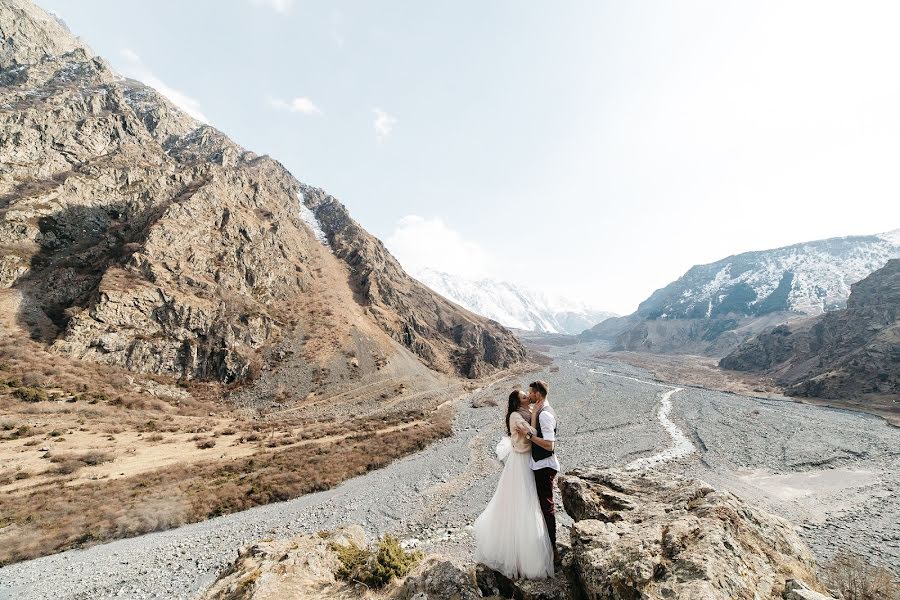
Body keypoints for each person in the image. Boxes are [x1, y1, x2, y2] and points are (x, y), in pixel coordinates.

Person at [473, 390, 554, 579]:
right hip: (521, 462)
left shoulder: (526, 411)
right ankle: (520, 558)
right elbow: (532, 433)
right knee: (523, 503)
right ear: (518, 403)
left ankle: (522, 552)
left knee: (527, 502)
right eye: (525, 397)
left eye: (528, 396)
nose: (529, 398)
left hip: (526, 460)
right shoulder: (517, 416)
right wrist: (535, 415)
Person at [526, 380, 561, 567]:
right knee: (541, 505)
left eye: (530, 393)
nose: (528, 395)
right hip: (540, 464)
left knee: (547, 506)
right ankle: (545, 546)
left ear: (537, 394)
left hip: (544, 466)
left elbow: (550, 445)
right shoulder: (540, 411)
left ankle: (553, 550)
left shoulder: (545, 415)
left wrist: (530, 437)